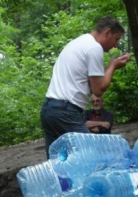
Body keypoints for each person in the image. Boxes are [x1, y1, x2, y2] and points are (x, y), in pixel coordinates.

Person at [40, 15, 131, 158]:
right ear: (107, 32)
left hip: (49, 109)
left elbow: (92, 82)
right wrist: (113, 66)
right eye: (116, 39)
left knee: (58, 161)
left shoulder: (79, 42)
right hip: (65, 111)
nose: (115, 45)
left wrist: (110, 66)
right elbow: (98, 90)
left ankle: (59, 181)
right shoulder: (94, 48)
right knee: (92, 154)